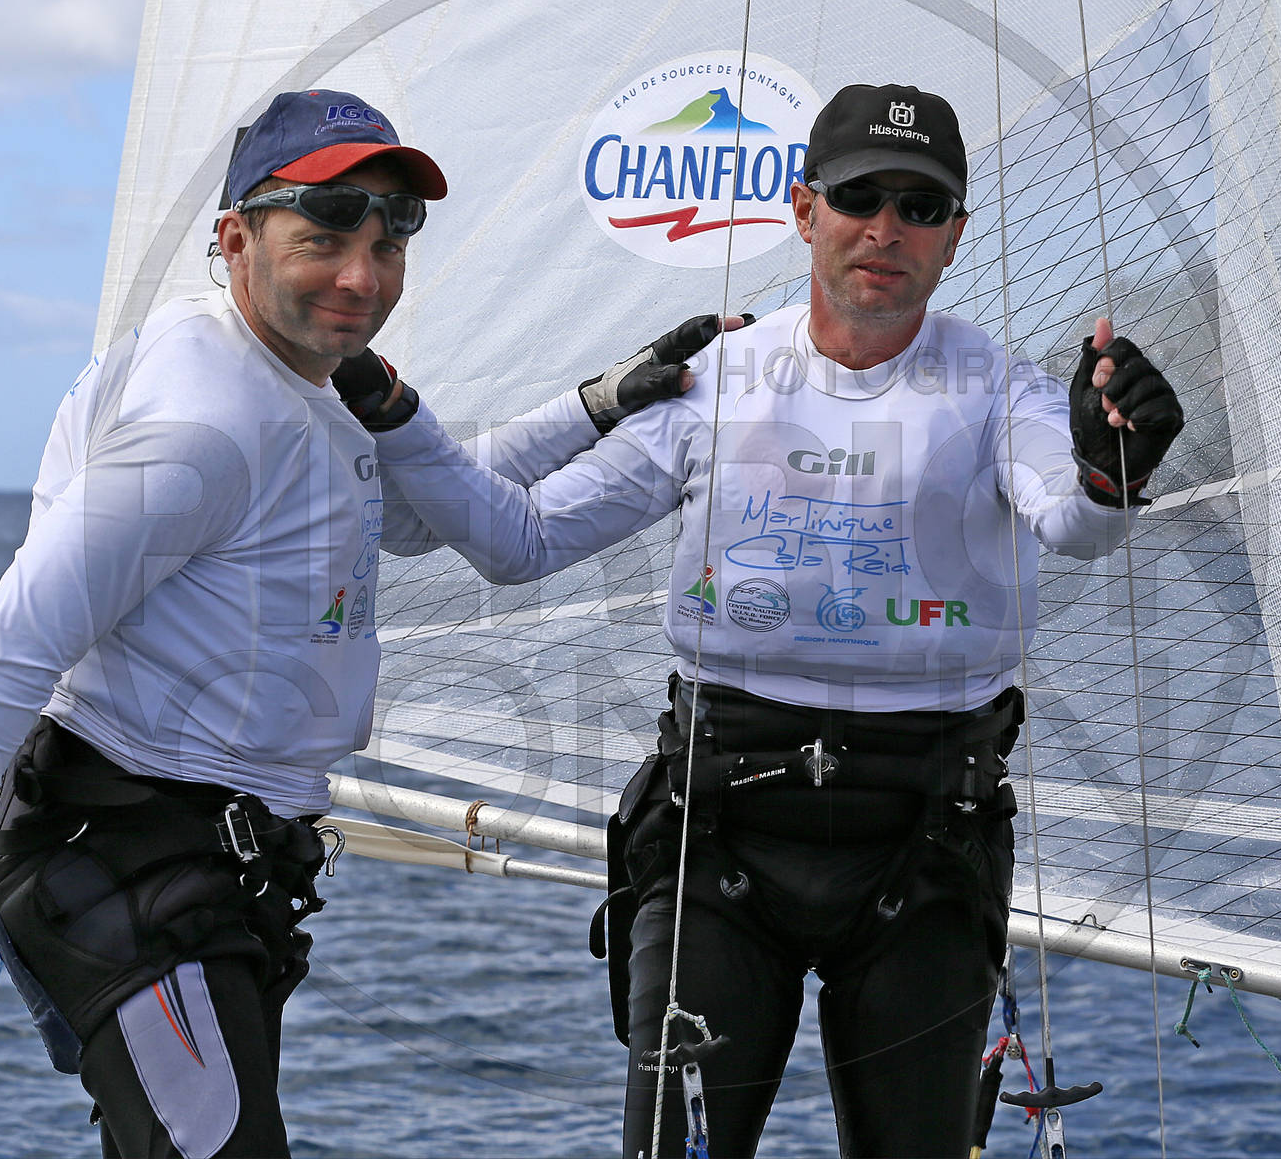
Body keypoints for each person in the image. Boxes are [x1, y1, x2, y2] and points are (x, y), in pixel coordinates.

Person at [0, 87, 737, 1158]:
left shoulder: (304, 382)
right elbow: (4, 650)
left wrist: (597, 405)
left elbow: (424, 512)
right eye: (324, 237)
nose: (362, 276)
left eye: (389, 241)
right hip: (123, 855)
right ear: (235, 238)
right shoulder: (203, 426)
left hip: (214, 868)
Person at [362, 83, 1185, 1158]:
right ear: (804, 209)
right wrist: (407, 412)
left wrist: (1115, 469)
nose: (885, 228)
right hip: (719, 835)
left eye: (920, 207)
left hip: (928, 841)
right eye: (859, 196)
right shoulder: (715, 380)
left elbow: (1072, 523)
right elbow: (515, 544)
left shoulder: (999, 388)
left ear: (954, 238)